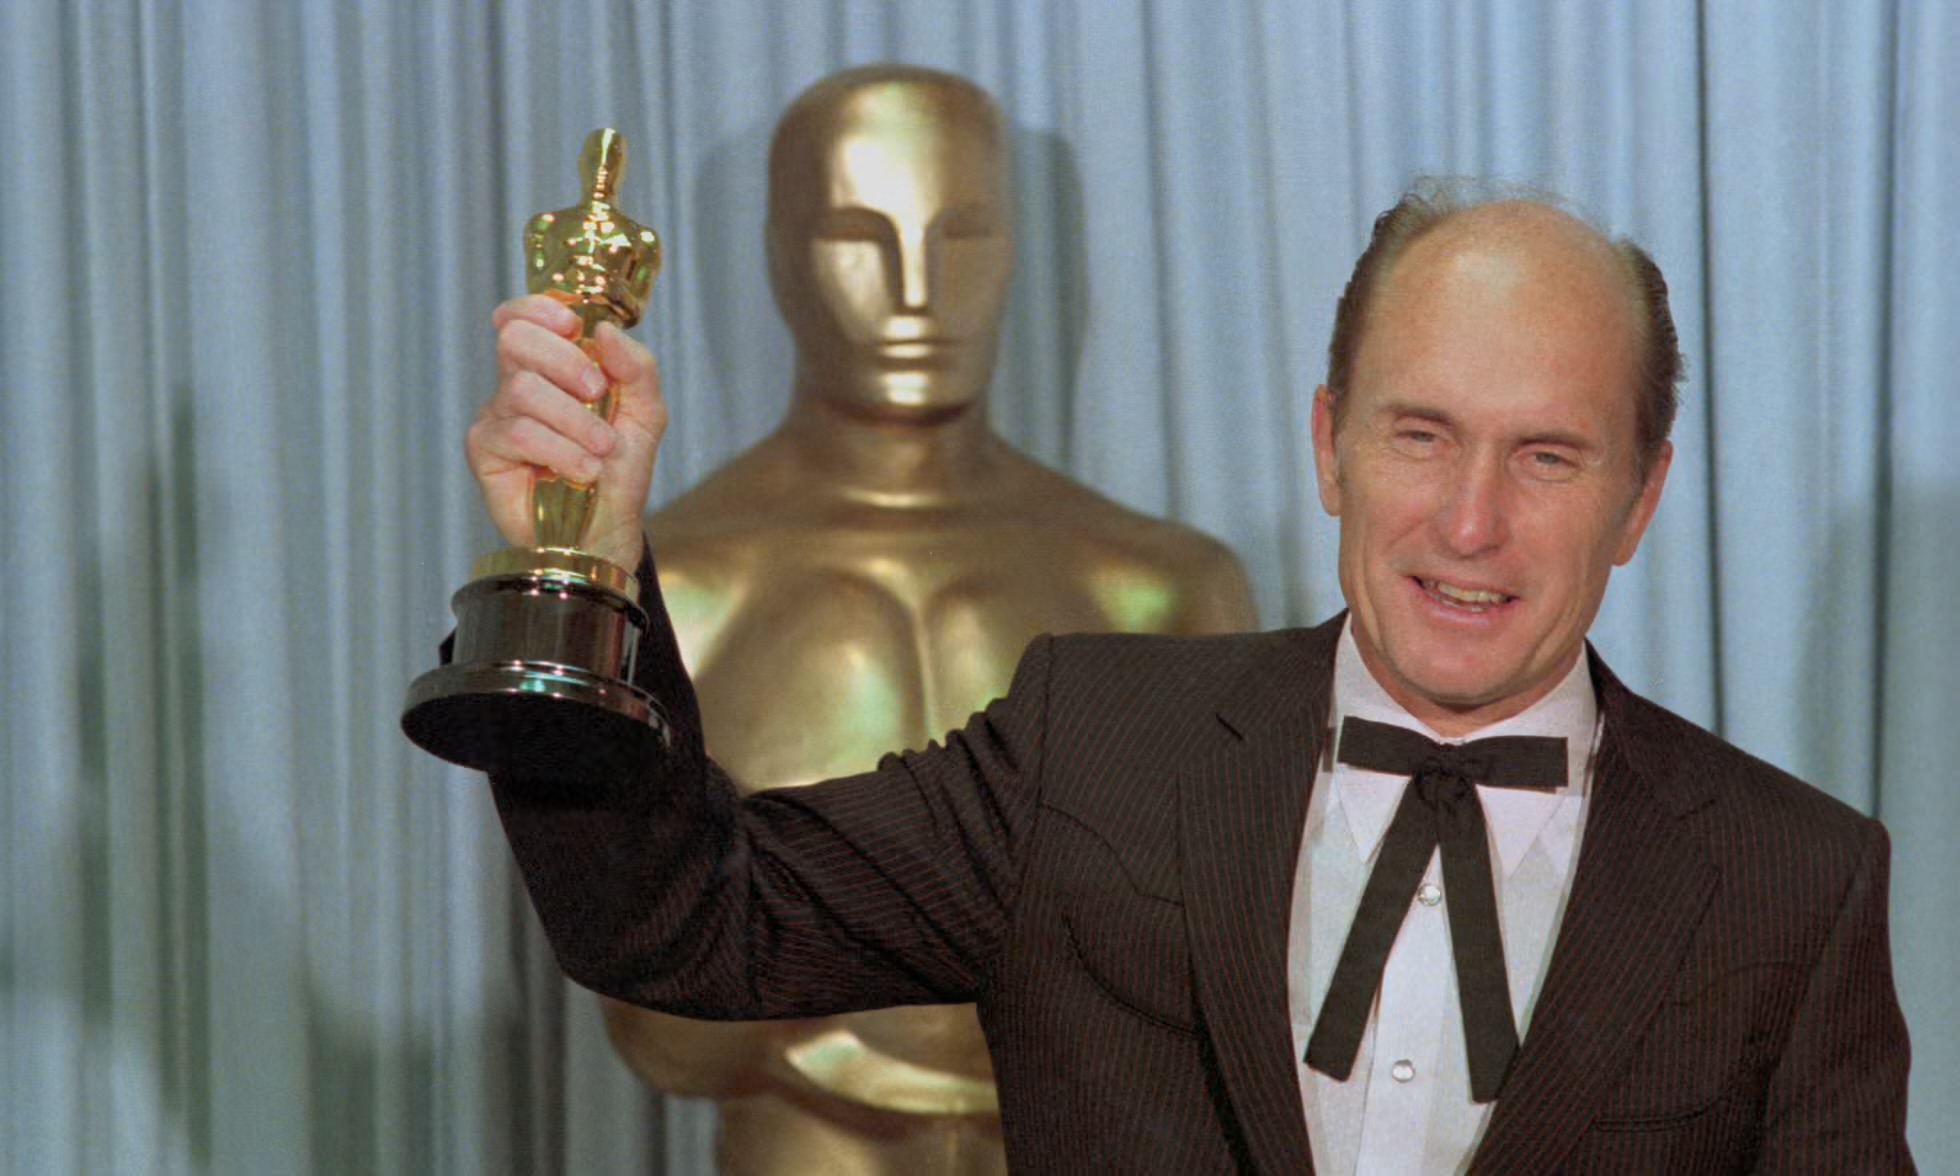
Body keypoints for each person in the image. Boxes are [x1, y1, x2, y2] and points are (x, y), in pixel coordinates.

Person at [463, 181, 1912, 1171]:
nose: (1470, 524)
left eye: (1547, 456)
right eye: (1420, 435)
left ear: (1641, 497)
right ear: (1329, 443)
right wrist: (580, 564)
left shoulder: (1793, 884)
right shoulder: (1090, 749)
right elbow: (682, 918)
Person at [592, 65, 1253, 1174]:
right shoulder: (676, 590)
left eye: (963, 236)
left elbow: (1224, 976)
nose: (916, 291)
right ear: (778, 255)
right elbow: (662, 1030)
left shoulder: (1162, 587)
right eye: (859, 236)